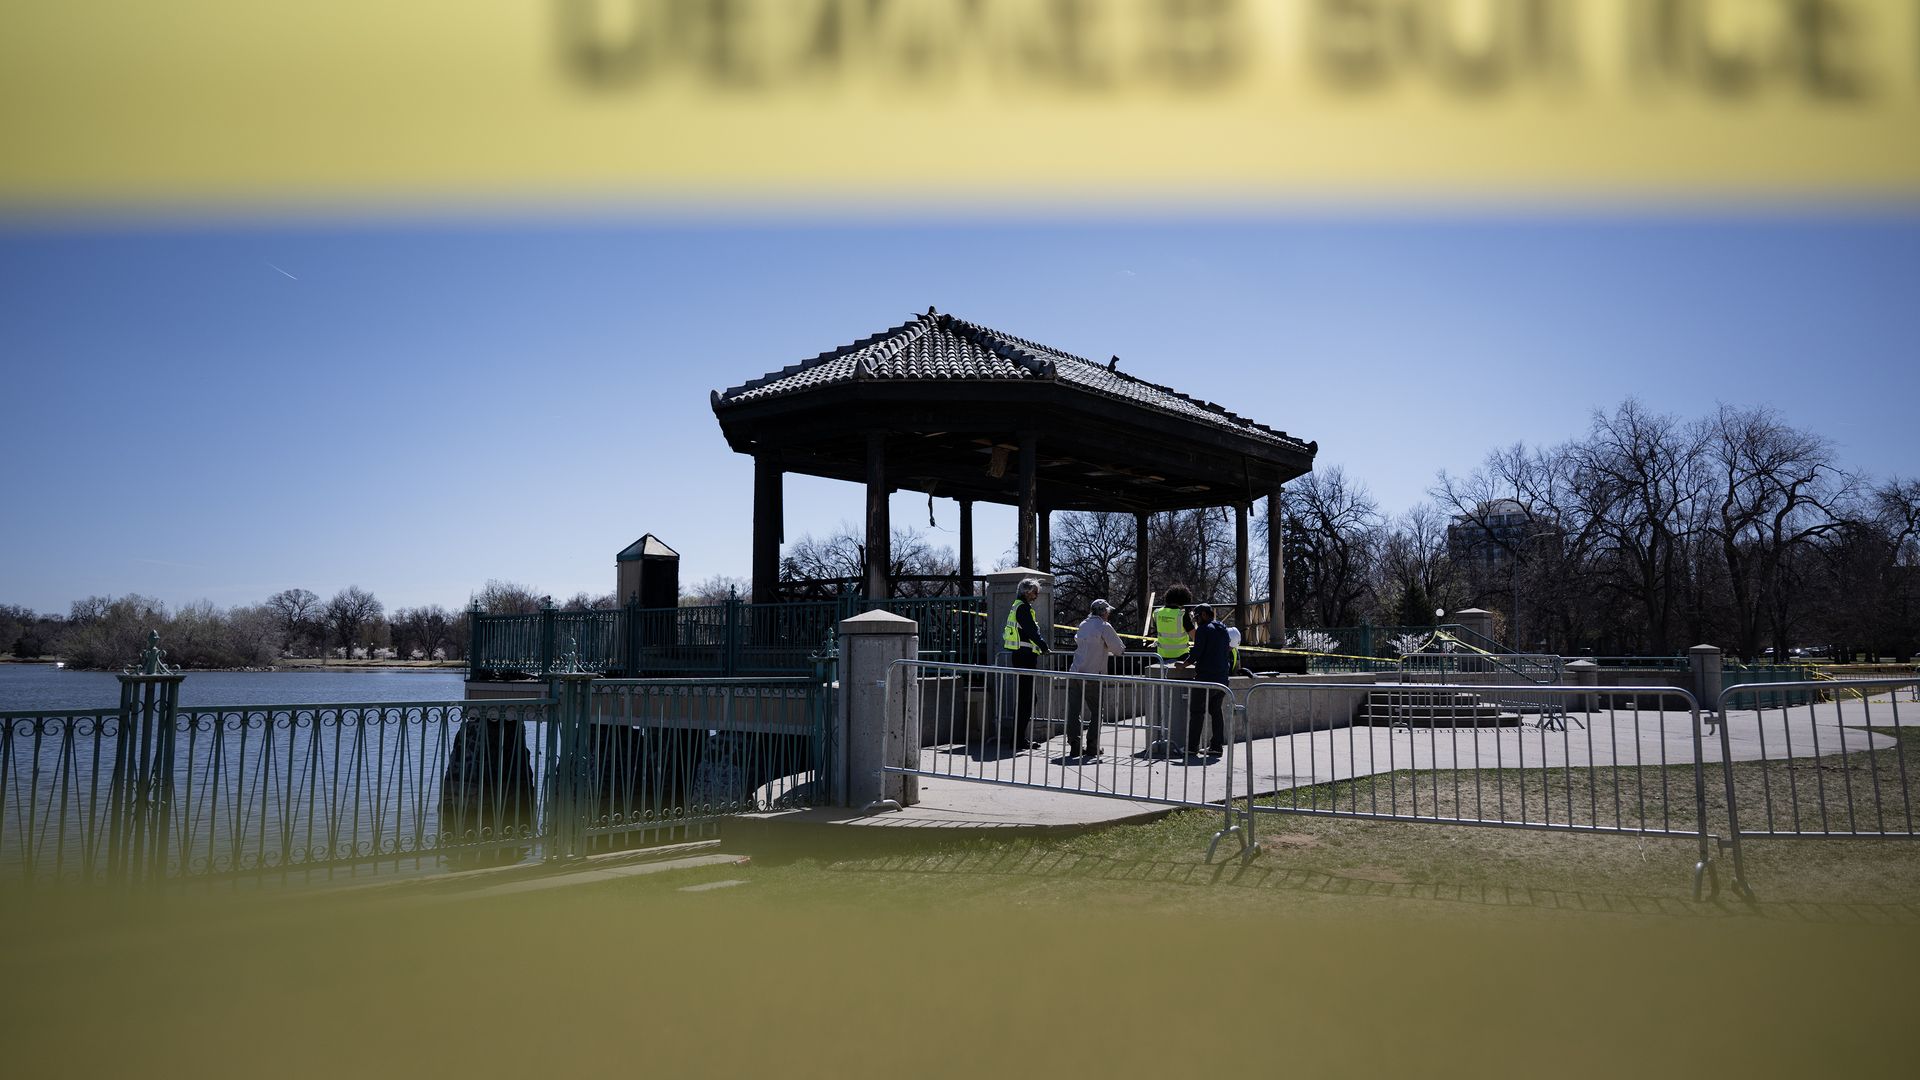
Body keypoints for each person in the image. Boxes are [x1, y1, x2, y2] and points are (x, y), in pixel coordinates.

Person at [1067, 598, 1128, 758]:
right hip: (1092, 674)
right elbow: (1118, 649)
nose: (1108, 614)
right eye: (1107, 611)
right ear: (1103, 612)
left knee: (1074, 710)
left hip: (1074, 672)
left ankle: (1074, 744)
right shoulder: (1103, 626)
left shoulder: (1083, 624)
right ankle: (1092, 746)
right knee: (1096, 711)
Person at [1000, 577, 1049, 749]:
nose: (1036, 596)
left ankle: (1018, 738)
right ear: (1027, 591)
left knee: (1026, 698)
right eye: (1035, 592)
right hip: (1024, 657)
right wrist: (1043, 646)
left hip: (1023, 656)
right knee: (1026, 699)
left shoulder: (1020, 607)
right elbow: (1031, 631)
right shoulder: (1022, 608)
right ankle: (1018, 739)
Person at [1186, 604, 1232, 759]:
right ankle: (1216, 747)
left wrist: (1184, 664)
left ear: (1205, 615)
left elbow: (1196, 653)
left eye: (1197, 617)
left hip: (1205, 678)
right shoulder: (1223, 629)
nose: (1196, 621)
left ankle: (1192, 748)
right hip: (1222, 679)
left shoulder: (1203, 630)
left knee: (1197, 712)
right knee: (1216, 712)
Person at [1150, 584, 1194, 664]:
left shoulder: (1156, 613)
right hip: (1182, 658)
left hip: (1161, 657)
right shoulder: (1182, 615)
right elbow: (1195, 636)